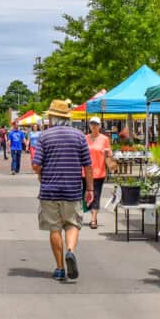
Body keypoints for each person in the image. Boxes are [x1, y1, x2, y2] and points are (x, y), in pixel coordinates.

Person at [34, 100, 93, 282]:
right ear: (67, 117)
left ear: (52, 116)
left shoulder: (44, 136)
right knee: (72, 224)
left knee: (54, 228)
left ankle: (60, 268)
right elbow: (88, 166)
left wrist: (42, 175)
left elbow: (36, 164)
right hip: (72, 189)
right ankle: (70, 251)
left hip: (49, 190)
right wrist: (89, 188)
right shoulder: (79, 136)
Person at [85, 116, 112, 229]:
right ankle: (86, 213)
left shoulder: (104, 139)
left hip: (99, 172)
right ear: (89, 125)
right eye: (92, 124)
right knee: (85, 195)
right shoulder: (84, 138)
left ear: (100, 126)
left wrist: (108, 156)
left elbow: (109, 154)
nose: (94, 126)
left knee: (96, 195)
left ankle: (93, 219)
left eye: (96, 124)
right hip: (85, 172)